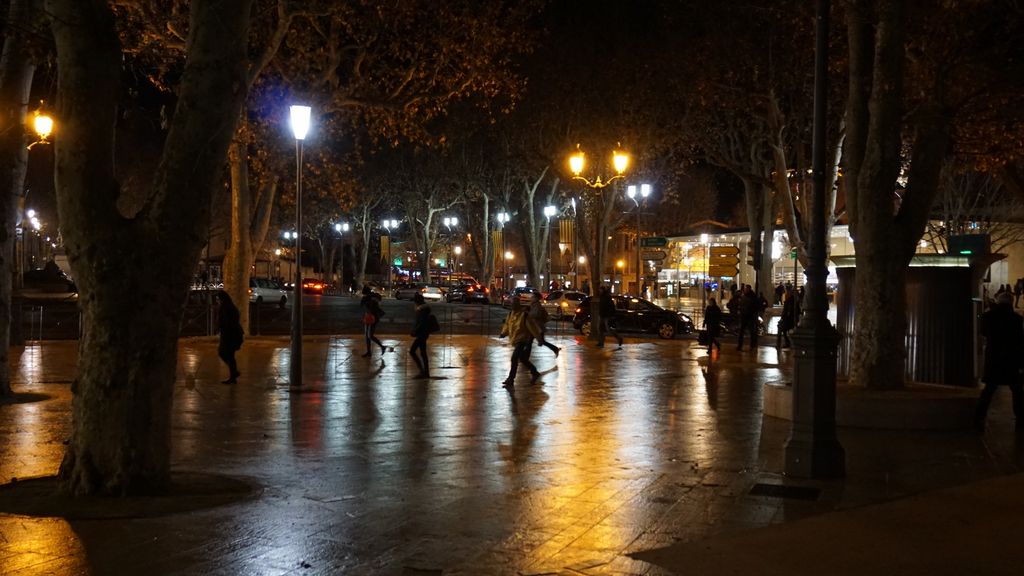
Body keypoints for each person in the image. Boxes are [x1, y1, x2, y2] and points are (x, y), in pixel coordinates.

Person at [975, 291, 1024, 432]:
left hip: (994, 359)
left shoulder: (988, 317)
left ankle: (979, 416)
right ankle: (1020, 418)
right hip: (1011, 360)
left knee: (989, 390)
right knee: (1017, 391)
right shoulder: (1017, 319)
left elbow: (983, 332)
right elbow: (1020, 341)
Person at [500, 299, 542, 388]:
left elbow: (532, 328)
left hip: (522, 340)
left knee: (514, 358)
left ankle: (511, 379)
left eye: (514, 304)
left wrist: (539, 339)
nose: (512, 306)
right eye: (511, 304)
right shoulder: (511, 314)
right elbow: (508, 325)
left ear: (518, 304)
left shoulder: (524, 315)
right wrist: (503, 333)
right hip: (515, 340)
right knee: (523, 359)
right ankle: (535, 372)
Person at [216, 290, 244, 384]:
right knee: (230, 355)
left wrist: (221, 329)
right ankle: (233, 375)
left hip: (229, 334)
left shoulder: (225, 307)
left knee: (223, 353)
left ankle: (233, 374)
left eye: (218, 299)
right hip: (234, 333)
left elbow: (224, 322)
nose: (217, 301)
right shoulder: (231, 306)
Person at [528, 292, 560, 357]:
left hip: (538, 327)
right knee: (530, 342)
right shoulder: (533, 305)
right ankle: (525, 356)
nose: (531, 298)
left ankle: (524, 357)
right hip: (535, 327)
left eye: (533, 297)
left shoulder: (537, 306)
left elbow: (536, 315)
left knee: (535, 341)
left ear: (536, 298)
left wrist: (528, 315)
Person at [360, 285, 387, 358]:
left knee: (369, 335)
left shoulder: (368, 298)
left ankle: (382, 347)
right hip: (369, 317)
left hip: (372, 318)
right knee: (367, 336)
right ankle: (369, 352)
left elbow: (363, 306)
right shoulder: (373, 297)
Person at [409, 292, 431, 379]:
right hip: (424, 333)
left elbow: (421, 323)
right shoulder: (424, 309)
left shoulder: (421, 310)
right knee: (423, 353)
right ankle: (425, 372)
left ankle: (423, 371)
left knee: (412, 351)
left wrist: (415, 331)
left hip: (421, 334)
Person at [737, 285, 759, 351]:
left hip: (750, 316)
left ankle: (752, 345)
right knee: (742, 331)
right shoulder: (744, 296)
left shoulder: (752, 297)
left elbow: (755, 306)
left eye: (746, 289)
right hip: (744, 316)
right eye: (745, 289)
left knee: (751, 331)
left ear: (749, 289)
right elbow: (741, 304)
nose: (745, 290)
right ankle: (740, 346)